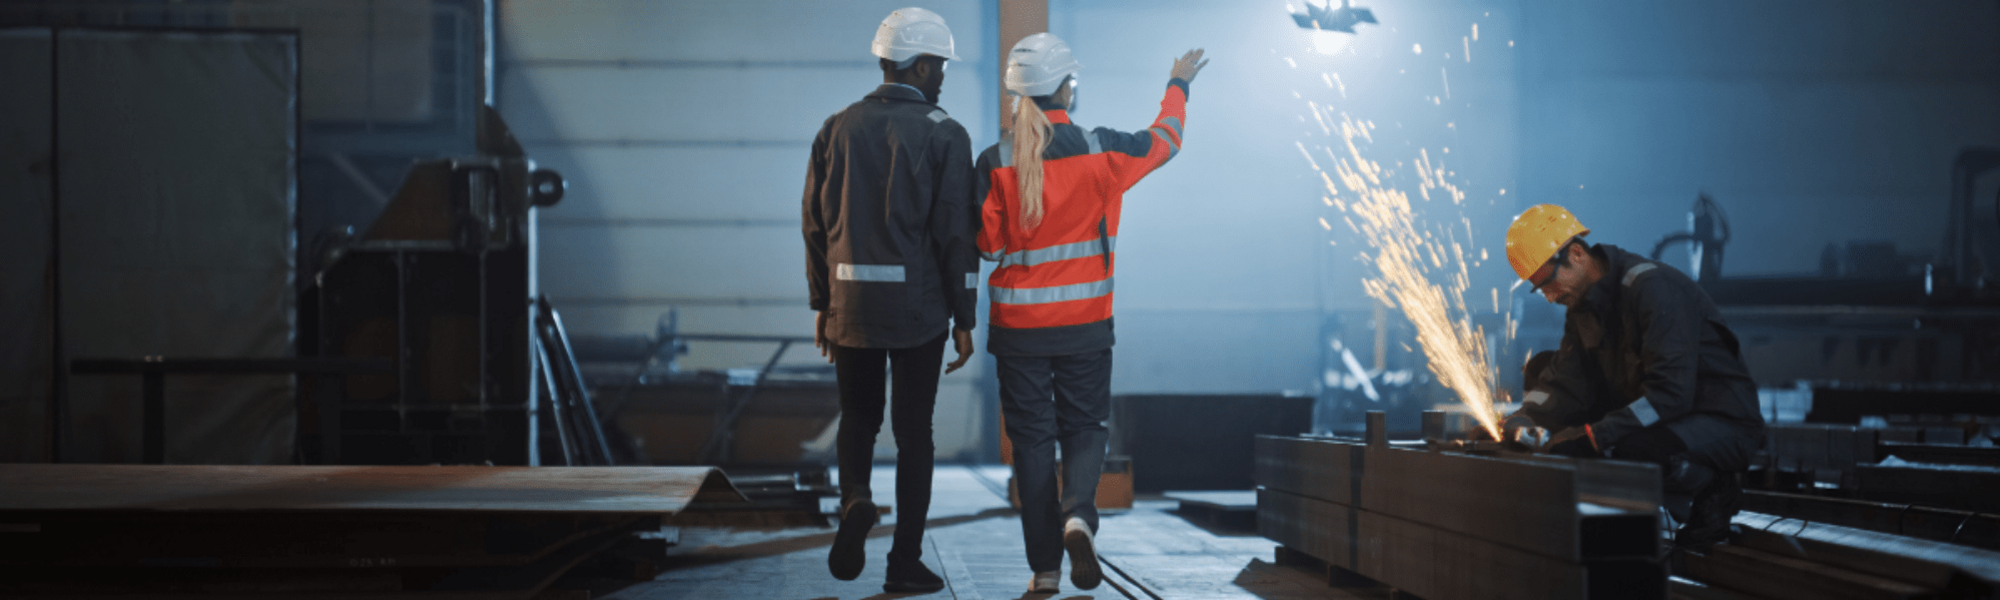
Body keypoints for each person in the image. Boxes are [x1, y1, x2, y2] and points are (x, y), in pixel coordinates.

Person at [975, 32, 1207, 594]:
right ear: (1066, 89)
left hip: (1019, 331)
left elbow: (984, 246)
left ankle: (1044, 571)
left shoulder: (996, 161)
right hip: (1084, 324)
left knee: (1031, 444)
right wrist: (1177, 85)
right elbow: (1165, 140)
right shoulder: (1103, 149)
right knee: (1084, 427)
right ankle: (1079, 514)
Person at [800, 6, 979, 594]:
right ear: (920, 64)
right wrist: (964, 315)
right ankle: (904, 563)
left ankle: (855, 498)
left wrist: (823, 305)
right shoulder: (945, 133)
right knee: (913, 435)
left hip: (850, 305)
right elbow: (957, 232)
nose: (945, 76)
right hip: (917, 310)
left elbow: (815, 224)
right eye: (941, 65)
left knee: (858, 417)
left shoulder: (836, 127)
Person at [1499, 204, 1766, 549]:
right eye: (1541, 290)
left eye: (1549, 283)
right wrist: (1521, 420)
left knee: (1632, 446)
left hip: (1717, 421)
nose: (1550, 298)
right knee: (1542, 370)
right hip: (1668, 414)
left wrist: (1595, 435)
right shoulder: (1583, 309)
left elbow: (1670, 395)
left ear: (1576, 254)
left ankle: (1714, 487)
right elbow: (1566, 381)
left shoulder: (1653, 290)